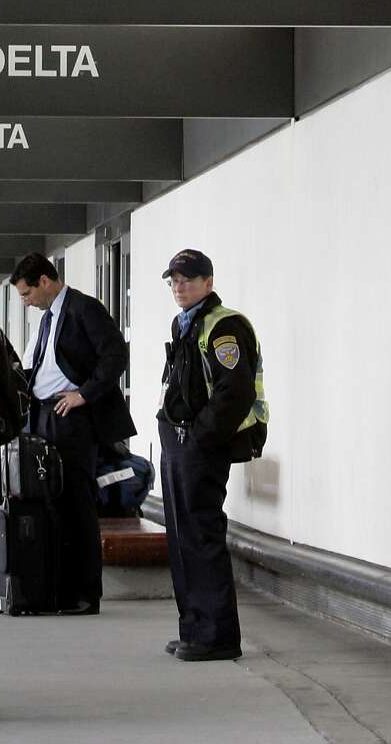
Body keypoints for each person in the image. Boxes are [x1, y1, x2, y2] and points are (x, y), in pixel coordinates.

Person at [157, 248, 269, 662]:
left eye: (187, 278)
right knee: (182, 538)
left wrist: (199, 439)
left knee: (201, 537)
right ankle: (195, 628)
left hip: (201, 446)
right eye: (174, 280)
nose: (179, 286)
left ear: (208, 282)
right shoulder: (188, 323)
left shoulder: (225, 327)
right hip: (180, 442)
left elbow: (233, 394)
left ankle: (218, 636)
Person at [11, 252, 136, 616]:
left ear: (45, 282)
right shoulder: (48, 318)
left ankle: (84, 592)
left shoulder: (84, 309)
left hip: (72, 417)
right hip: (46, 414)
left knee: (77, 503)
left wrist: (84, 394)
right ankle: (57, 586)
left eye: (26, 294)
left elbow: (115, 355)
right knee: (51, 501)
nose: (26, 302)